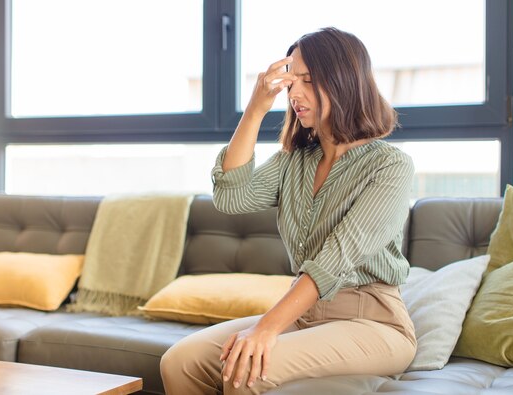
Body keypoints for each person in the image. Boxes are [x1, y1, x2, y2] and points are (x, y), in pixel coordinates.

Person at [160, 27, 416, 395]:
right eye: (291, 81)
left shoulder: (390, 166)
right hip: (306, 317)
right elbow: (232, 198)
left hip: (373, 323)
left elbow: (335, 258)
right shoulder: (294, 161)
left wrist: (266, 327)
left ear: (345, 81)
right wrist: (256, 108)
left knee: (246, 369)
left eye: (308, 80)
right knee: (180, 362)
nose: (294, 93)